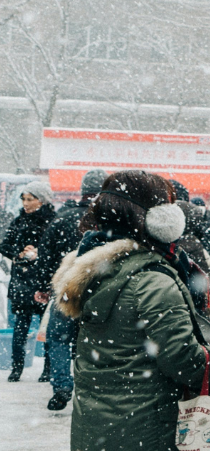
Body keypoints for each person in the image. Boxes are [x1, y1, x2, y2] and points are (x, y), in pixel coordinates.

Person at [52, 170, 210, 451]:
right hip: (146, 431)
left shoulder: (95, 268)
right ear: (160, 221)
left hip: (96, 429)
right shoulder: (152, 280)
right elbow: (184, 360)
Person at [40, 169, 107, 409]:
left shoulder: (63, 217)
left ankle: (61, 385)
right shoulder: (106, 222)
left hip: (66, 289)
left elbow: (46, 256)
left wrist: (43, 286)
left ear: (82, 190)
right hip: (99, 290)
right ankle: (90, 386)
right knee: (94, 340)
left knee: (58, 338)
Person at [1, 179, 56, 382]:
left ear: (41, 200)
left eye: (30, 199)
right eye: (23, 199)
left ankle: (48, 369)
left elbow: (58, 252)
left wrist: (39, 254)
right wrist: (19, 253)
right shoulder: (19, 220)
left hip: (44, 280)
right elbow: (4, 245)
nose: (25, 203)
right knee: (20, 327)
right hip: (22, 280)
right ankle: (17, 368)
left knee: (48, 327)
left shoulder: (53, 221)